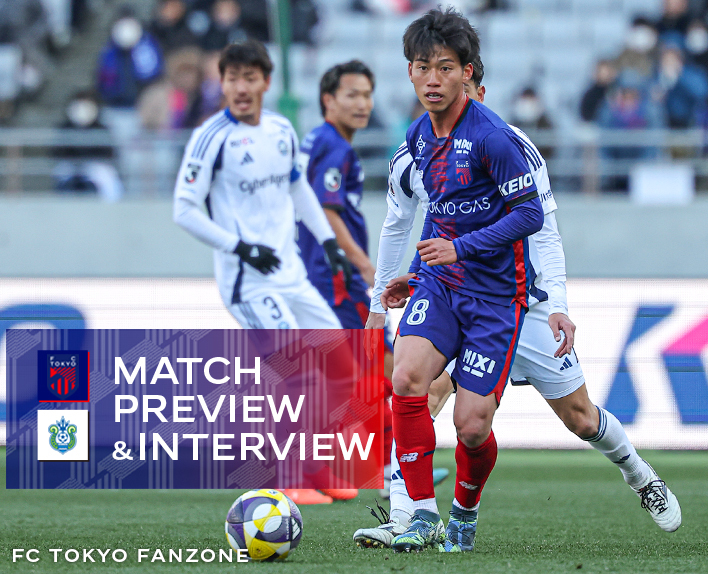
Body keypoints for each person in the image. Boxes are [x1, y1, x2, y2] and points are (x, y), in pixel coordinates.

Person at [354, 57, 682, 552]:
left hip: (521, 302)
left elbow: (543, 230)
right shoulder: (415, 152)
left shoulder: (510, 147)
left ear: (476, 91)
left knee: (580, 417)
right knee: (421, 389)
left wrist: (558, 303)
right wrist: (405, 282)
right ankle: (409, 517)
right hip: (455, 296)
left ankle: (640, 476)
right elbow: (415, 222)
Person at [365, 7, 544, 553]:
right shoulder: (418, 135)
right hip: (440, 285)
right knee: (406, 379)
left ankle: (464, 510)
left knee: (471, 425)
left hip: (496, 296)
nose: (433, 79)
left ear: (467, 72)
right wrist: (416, 273)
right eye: (423, 68)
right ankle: (421, 514)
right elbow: (439, 214)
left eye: (445, 68)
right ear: (410, 72)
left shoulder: (493, 137)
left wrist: (460, 249)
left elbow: (530, 214)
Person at [173, 40, 350, 332]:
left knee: (342, 360)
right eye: (232, 79)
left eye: (250, 78)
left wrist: (328, 241)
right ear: (223, 84)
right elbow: (183, 210)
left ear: (266, 82)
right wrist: (241, 248)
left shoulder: (281, 129)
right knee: (295, 360)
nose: (241, 88)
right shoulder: (210, 138)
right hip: (249, 285)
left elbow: (297, 187)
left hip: (292, 277)